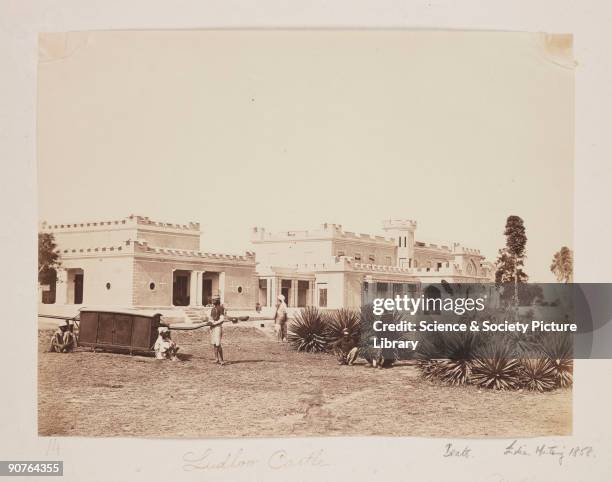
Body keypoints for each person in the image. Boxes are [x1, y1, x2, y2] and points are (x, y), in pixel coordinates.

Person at [209, 296, 226, 365]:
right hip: (212, 327)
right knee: (214, 343)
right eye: (212, 300)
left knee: (218, 344)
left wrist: (214, 323)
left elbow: (222, 319)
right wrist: (210, 322)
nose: (212, 301)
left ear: (217, 300)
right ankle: (216, 359)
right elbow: (210, 317)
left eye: (214, 300)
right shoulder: (213, 309)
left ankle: (222, 360)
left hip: (218, 327)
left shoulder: (220, 308)